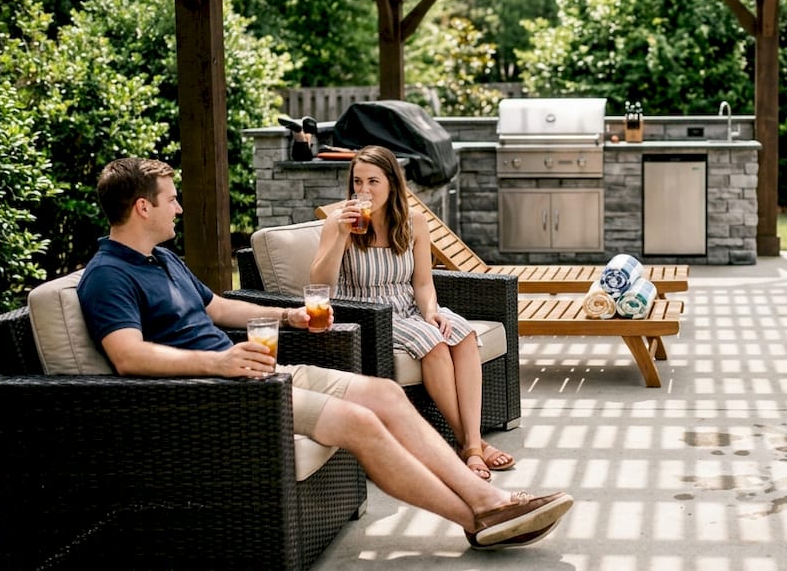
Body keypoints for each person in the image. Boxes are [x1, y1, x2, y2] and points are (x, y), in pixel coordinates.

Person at [75, 157, 571, 550]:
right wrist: (218, 362)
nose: (178, 208)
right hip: (217, 392)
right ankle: (482, 515)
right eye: (171, 200)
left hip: (256, 372)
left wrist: (290, 317)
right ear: (143, 207)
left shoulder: (162, 259)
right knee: (361, 423)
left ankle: (489, 504)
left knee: (385, 395)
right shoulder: (108, 276)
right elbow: (128, 356)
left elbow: (218, 305)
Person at [310, 145, 515, 481]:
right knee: (433, 344)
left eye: (373, 181)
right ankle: (473, 447)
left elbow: (422, 283)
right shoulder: (339, 223)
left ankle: (470, 443)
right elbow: (322, 286)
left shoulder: (413, 221)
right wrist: (341, 238)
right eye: (358, 182)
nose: (363, 190)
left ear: (392, 183)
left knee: (462, 335)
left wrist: (432, 311)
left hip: (407, 305)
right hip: (368, 311)